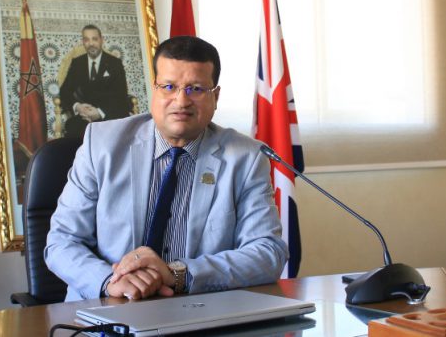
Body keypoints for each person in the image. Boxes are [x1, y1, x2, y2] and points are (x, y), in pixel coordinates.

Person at [45, 35, 287, 301]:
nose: (181, 101)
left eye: (196, 89)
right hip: (108, 307)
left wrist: (179, 274)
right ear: (155, 90)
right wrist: (109, 282)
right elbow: (62, 241)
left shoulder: (245, 158)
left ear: (215, 97)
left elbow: (268, 252)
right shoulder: (101, 144)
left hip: (198, 310)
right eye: (169, 87)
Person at [57, 24, 131, 138]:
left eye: (94, 39)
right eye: (87, 40)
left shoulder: (115, 63)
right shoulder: (77, 63)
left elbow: (121, 95)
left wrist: (99, 112)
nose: (91, 43)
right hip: (84, 118)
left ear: (101, 40)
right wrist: (78, 107)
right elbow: (64, 91)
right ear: (83, 42)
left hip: (110, 115)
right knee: (72, 128)